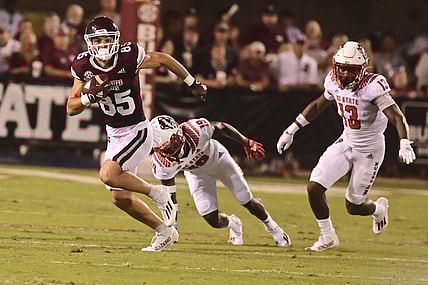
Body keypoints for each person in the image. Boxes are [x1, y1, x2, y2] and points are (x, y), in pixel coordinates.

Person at [66, 16, 207, 252]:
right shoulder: (83, 65)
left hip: (137, 129)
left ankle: (159, 193)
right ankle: (165, 231)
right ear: (89, 43)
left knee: (108, 174)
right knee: (120, 198)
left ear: (116, 40)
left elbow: (163, 59)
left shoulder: (128, 55)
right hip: (114, 134)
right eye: (97, 40)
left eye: (106, 40)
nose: (101, 45)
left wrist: (191, 82)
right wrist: (89, 97)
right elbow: (71, 107)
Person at [276, 41, 416, 252]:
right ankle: (327, 236)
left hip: (369, 150)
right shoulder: (332, 80)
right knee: (314, 187)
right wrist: (291, 129)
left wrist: (404, 142)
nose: (343, 74)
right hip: (347, 141)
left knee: (354, 205)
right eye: (340, 67)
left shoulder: (373, 86)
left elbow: (396, 115)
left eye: (350, 70)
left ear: (361, 70)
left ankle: (378, 208)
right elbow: (317, 105)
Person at [150, 115, 291, 247]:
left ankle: (273, 228)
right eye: (166, 149)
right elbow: (169, 196)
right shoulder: (162, 163)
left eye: (172, 144)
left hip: (219, 160)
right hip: (197, 174)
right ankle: (234, 224)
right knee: (212, 218)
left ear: (179, 133)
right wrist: (173, 225)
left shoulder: (195, 130)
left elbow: (221, 126)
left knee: (245, 198)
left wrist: (246, 142)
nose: (171, 150)